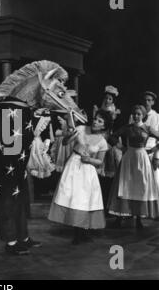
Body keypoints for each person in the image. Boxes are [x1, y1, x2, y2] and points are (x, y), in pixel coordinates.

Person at [48, 110, 112, 245]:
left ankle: (83, 232)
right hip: (74, 165)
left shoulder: (102, 142)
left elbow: (100, 162)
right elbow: (65, 142)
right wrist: (71, 135)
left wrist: (89, 160)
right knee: (73, 197)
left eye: (100, 121)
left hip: (88, 170)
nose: (95, 121)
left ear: (104, 126)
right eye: (95, 118)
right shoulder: (81, 129)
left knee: (85, 199)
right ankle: (76, 233)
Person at [108, 105, 159, 228]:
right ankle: (119, 217)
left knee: (140, 187)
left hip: (142, 159)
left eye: (139, 114)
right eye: (134, 114)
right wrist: (121, 147)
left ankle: (138, 218)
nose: (136, 116)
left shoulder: (147, 128)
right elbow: (112, 137)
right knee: (125, 186)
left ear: (143, 115)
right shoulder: (127, 128)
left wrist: (152, 150)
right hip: (129, 158)